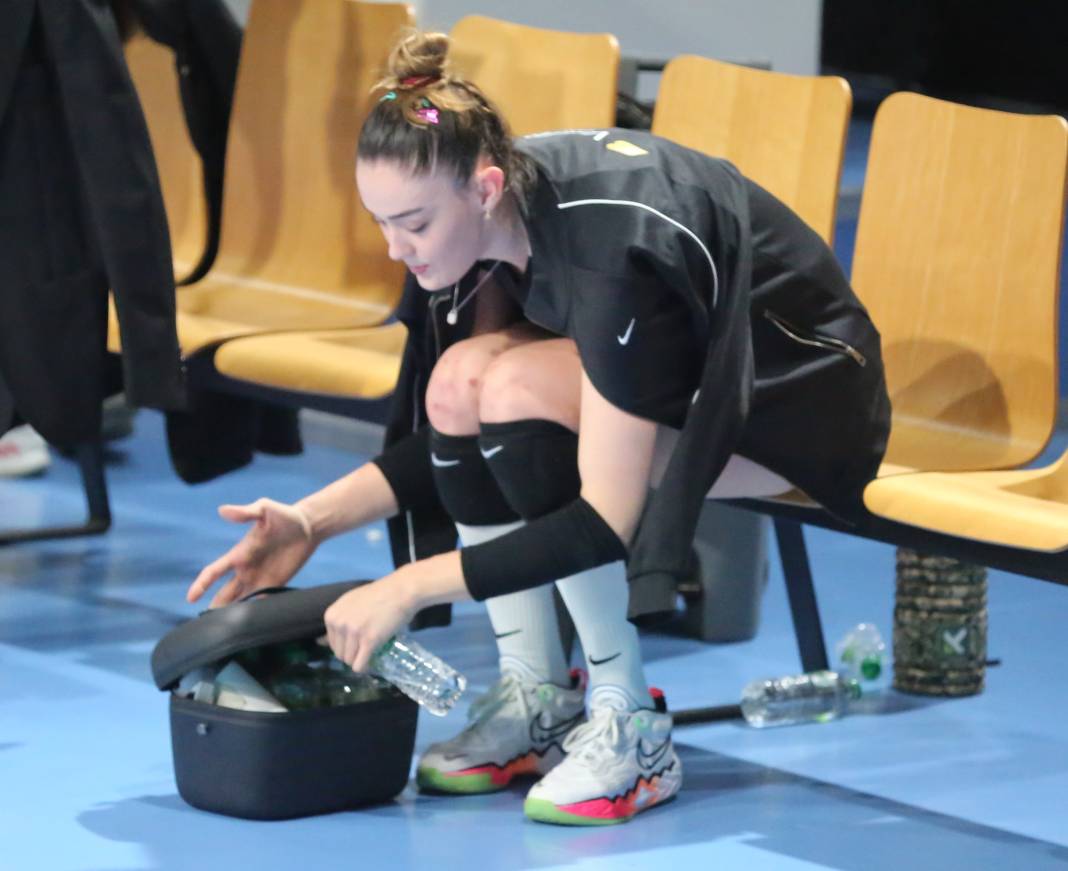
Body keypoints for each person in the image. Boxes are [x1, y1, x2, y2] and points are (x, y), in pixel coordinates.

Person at [187, 31, 891, 826]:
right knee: (458, 383)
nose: (396, 249)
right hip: (696, 388)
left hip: (800, 412)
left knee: (518, 384)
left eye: (412, 222)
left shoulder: (607, 256)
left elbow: (603, 519)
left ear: (484, 188)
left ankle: (632, 724)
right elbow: (458, 437)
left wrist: (408, 585)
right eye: (381, 222)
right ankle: (539, 698)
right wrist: (312, 519)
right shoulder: (485, 227)